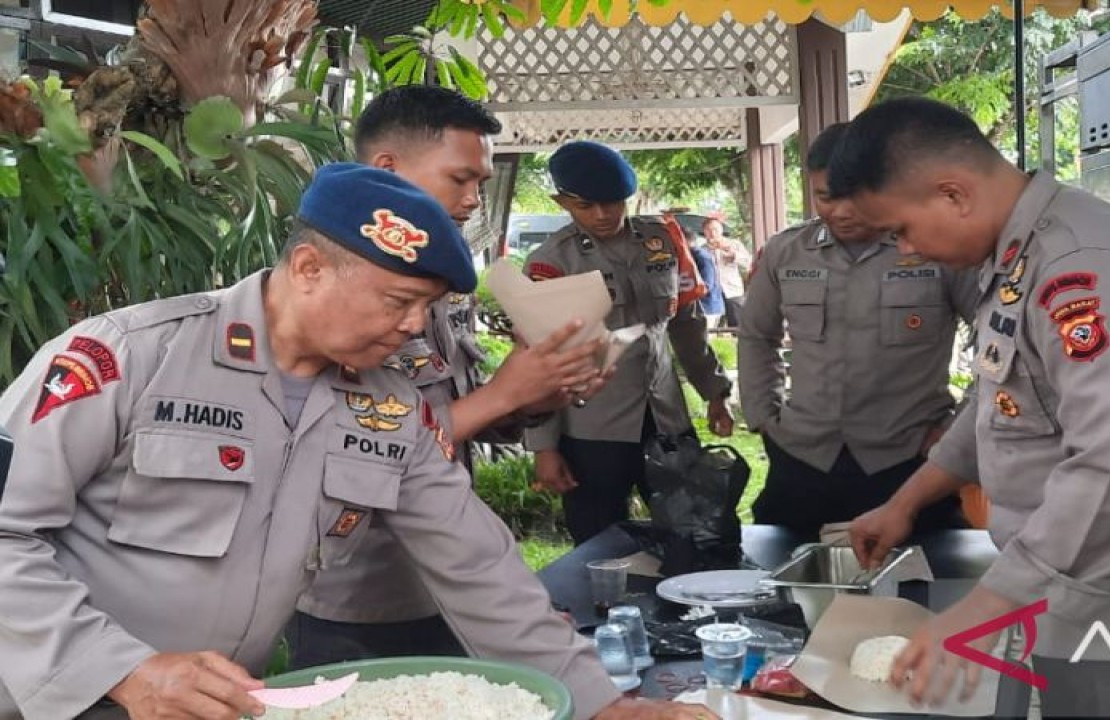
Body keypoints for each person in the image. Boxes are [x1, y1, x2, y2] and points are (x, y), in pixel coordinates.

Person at [0, 164, 716, 720]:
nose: (413, 326)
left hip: (205, 703)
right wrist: (120, 668)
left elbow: (480, 566)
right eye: (398, 301)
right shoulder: (129, 357)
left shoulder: (388, 409)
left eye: (427, 308)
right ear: (309, 269)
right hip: (51, 697)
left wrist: (601, 704)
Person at [835, 98, 1110, 718]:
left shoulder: (1081, 267)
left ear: (953, 194)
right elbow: (1002, 403)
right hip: (1077, 593)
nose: (904, 251)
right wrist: (907, 501)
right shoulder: (1016, 258)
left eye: (899, 229)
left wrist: (983, 609)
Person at [288, 86, 604, 669]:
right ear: (389, 167)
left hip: (446, 571)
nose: (472, 200)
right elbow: (348, 444)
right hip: (358, 589)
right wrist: (506, 392)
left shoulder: (438, 290)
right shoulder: (330, 297)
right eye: (461, 179)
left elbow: (458, 409)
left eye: (481, 184)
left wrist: (536, 392)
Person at [738, 122, 979, 538]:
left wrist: (957, 429)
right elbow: (758, 335)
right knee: (783, 581)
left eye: (854, 197)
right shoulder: (785, 252)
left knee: (924, 586)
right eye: (825, 197)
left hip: (907, 459)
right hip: (804, 457)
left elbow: (1001, 342)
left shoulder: (934, 250)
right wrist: (764, 417)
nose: (840, 211)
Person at [526, 140, 736, 545]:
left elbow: (686, 324)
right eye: (587, 205)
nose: (603, 215)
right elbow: (543, 357)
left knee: (693, 532)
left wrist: (714, 391)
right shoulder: (552, 262)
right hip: (592, 426)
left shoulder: (662, 242)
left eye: (613, 202)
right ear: (562, 202)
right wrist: (544, 447)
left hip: (667, 416)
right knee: (600, 544)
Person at [703, 217, 751, 328]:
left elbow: (748, 262)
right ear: (704, 232)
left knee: (737, 324)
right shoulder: (702, 249)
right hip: (711, 292)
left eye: (715, 229)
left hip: (732, 289)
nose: (712, 233)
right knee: (710, 325)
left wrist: (734, 256)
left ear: (721, 230)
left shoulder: (734, 244)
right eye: (709, 230)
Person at [690, 235, 725, 329]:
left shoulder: (702, 257)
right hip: (704, 305)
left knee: (704, 338)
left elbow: (707, 285)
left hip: (708, 306)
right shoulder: (694, 255)